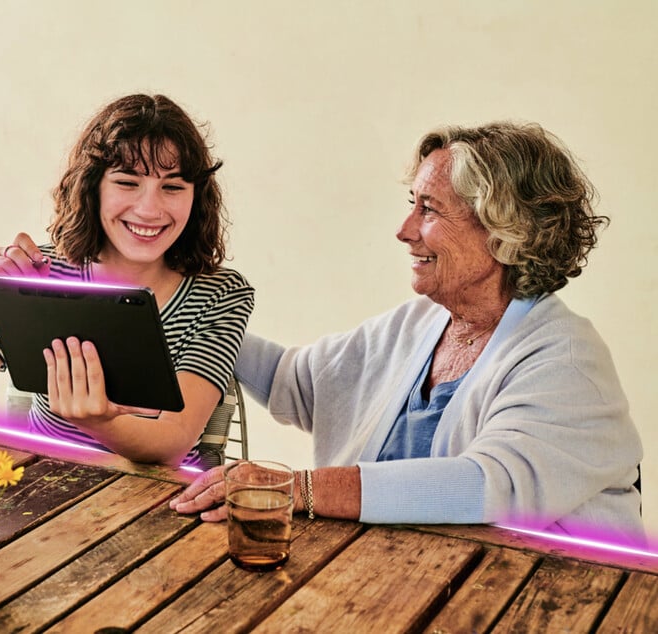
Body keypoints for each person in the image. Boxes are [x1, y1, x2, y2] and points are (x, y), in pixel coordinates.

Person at [170, 121, 645, 544]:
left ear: (505, 230)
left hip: (551, 600)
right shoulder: (420, 323)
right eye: (411, 205)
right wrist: (188, 316)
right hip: (414, 581)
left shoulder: (566, 360)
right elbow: (296, 382)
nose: (404, 229)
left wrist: (299, 489)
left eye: (429, 210)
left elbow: (485, 486)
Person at [0, 94, 254, 467]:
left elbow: (171, 443)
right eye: (127, 182)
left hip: (157, 500)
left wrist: (97, 422)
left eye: (172, 188)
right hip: (41, 490)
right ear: (93, 188)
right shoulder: (44, 273)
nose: (149, 209)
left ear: (197, 198)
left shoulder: (220, 294)